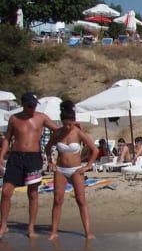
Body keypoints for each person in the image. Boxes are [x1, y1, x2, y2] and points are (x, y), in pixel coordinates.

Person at [0, 92, 60, 239]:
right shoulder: (14, 119)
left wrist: (71, 129)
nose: (32, 108)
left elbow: (58, 131)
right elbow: (7, 139)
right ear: (23, 104)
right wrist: (1, 156)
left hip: (34, 157)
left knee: (32, 194)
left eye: (34, 105)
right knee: (6, 191)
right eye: (29, 105)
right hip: (16, 157)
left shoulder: (41, 117)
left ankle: (31, 227)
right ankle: (3, 225)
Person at [44, 100, 98, 240]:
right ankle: (53, 231)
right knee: (57, 200)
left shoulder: (78, 133)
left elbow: (95, 150)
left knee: (81, 199)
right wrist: (51, 162)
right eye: (65, 123)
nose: (68, 126)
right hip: (61, 169)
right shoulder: (57, 133)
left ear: (74, 121)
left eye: (70, 123)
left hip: (76, 169)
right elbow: (47, 147)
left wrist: (87, 166)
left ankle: (87, 232)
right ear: (62, 121)